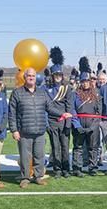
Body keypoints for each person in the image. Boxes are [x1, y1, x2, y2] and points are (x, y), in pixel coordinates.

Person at [9, 68, 72, 189]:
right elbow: (11, 113)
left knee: (39, 155)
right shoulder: (17, 93)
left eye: (33, 76)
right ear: (24, 77)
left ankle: (38, 177)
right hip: (24, 131)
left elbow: (50, 108)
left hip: (40, 131)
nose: (31, 78)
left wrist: (62, 114)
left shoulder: (42, 93)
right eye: (29, 76)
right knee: (25, 157)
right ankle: (25, 178)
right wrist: (14, 130)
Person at [45, 47, 73, 178]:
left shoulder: (66, 88)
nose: (58, 77)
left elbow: (69, 106)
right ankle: (57, 169)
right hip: (52, 122)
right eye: (56, 75)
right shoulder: (47, 89)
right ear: (52, 75)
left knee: (65, 146)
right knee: (55, 147)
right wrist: (59, 115)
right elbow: (48, 106)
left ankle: (66, 169)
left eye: (60, 75)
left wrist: (68, 123)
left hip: (64, 122)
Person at [71, 71, 102, 177]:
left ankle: (92, 167)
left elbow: (99, 112)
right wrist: (77, 125)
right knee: (78, 147)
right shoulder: (75, 94)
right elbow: (72, 110)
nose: (85, 83)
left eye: (87, 81)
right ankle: (77, 168)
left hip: (92, 123)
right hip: (79, 123)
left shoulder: (97, 93)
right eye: (83, 81)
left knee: (93, 147)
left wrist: (93, 126)